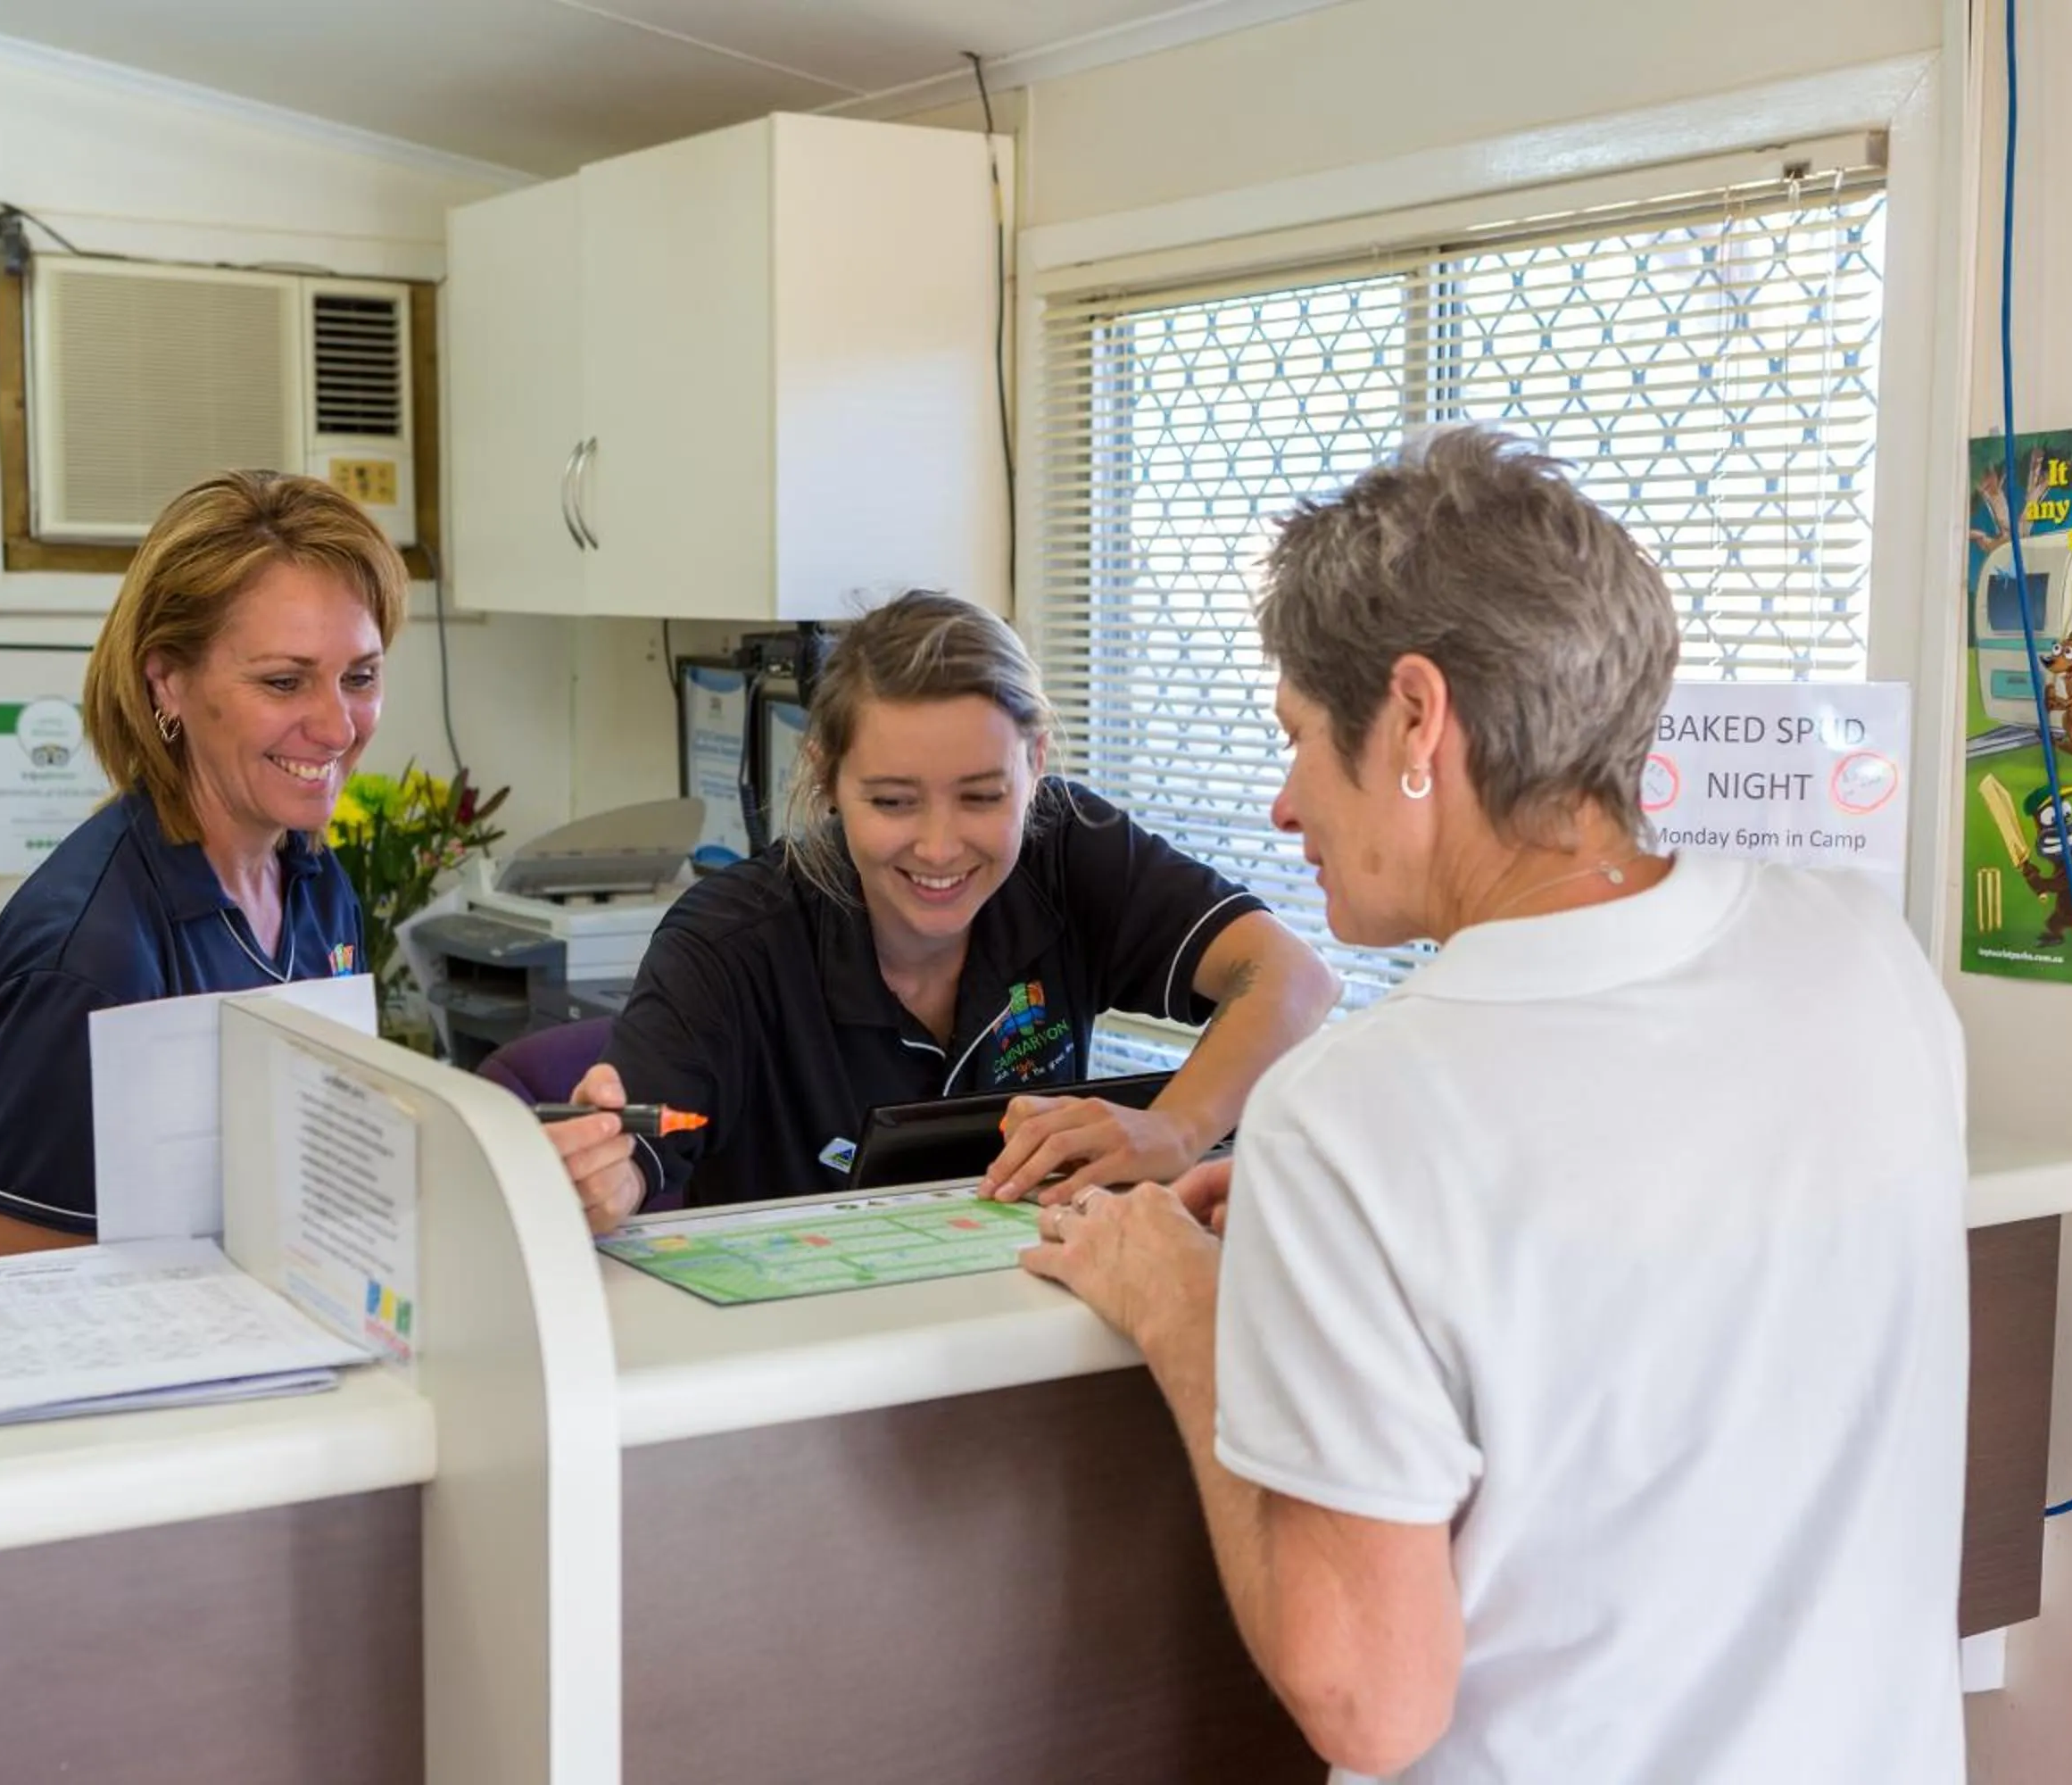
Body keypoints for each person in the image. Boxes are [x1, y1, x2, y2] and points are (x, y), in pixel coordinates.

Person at [1022, 428, 1969, 1783]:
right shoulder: (1858, 950)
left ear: (1416, 718)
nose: (1283, 805)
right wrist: (1330, 1259)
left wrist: (1185, 1307)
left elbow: (1369, 1701)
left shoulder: (1355, 1115)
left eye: (1298, 738)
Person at [547, 592, 1339, 1231]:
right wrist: (601, 1176)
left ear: (1034, 764)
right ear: (827, 778)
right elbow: (630, 1158)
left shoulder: (1069, 848)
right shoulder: (727, 941)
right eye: (893, 802)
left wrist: (1174, 1128)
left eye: (982, 797)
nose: (938, 847)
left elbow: (1294, 979)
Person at [0, 471, 404, 1262]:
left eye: (360, 677)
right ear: (166, 682)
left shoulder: (314, 884)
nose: (338, 727)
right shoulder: (89, 963)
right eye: (284, 681)